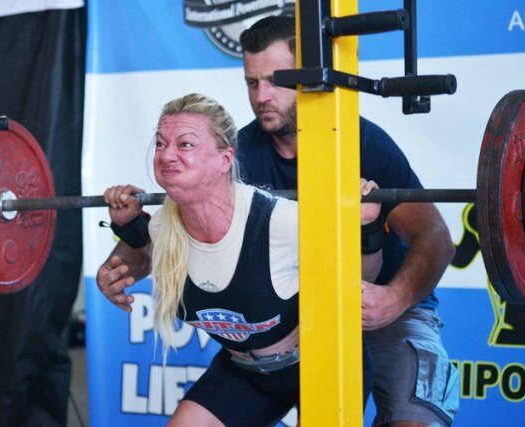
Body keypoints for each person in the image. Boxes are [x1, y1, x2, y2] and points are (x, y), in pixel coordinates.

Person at [98, 16, 459, 427]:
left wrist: (394, 297)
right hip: (299, 322)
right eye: (252, 83)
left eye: (275, 80)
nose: (262, 96)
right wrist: (121, 265)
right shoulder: (241, 154)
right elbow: (170, 232)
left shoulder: (362, 144)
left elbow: (436, 238)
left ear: (308, 76)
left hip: (386, 307)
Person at [103, 93, 384, 425]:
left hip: (322, 364)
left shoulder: (282, 222)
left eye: (186, 145)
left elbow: (361, 281)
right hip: (245, 373)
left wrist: (368, 228)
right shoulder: (164, 225)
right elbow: (141, 253)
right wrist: (128, 227)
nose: (167, 156)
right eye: (161, 144)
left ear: (225, 159)